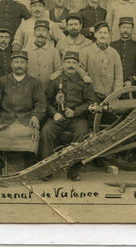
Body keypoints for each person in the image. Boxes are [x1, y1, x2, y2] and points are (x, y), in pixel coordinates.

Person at [0, 50, 46, 176]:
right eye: (16, 62)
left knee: (32, 134)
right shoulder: (3, 81)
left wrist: (35, 116)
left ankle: (28, 168)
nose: (19, 65)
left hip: (26, 119)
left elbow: (41, 103)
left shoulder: (34, 82)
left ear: (26, 65)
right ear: (11, 64)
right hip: (6, 119)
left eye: (22, 62)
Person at [41, 51, 98, 181]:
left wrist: (75, 112)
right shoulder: (55, 81)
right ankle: (48, 169)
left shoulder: (84, 83)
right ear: (63, 64)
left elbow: (91, 102)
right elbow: (46, 101)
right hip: (58, 118)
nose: (71, 65)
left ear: (78, 65)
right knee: (46, 131)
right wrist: (54, 113)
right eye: (68, 62)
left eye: (74, 63)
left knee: (82, 132)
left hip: (77, 119)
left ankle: (73, 169)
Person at [78, 21, 123, 100]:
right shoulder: (86, 51)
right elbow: (79, 68)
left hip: (110, 96)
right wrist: (84, 76)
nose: (102, 35)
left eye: (105, 33)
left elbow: (118, 75)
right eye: (100, 33)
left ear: (109, 35)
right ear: (95, 34)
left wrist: (116, 93)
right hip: (92, 95)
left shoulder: (114, 53)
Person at [24, 20, 62, 88]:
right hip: (30, 88)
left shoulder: (54, 51)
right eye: (38, 30)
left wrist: (53, 77)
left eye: (44, 30)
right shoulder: (25, 51)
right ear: (34, 32)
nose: (40, 33)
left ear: (47, 34)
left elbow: (59, 70)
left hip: (48, 89)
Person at [110, 17, 136, 87]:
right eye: (123, 27)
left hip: (131, 85)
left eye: (128, 28)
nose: (126, 30)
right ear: (119, 28)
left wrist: (131, 80)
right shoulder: (112, 46)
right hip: (114, 84)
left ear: (132, 29)